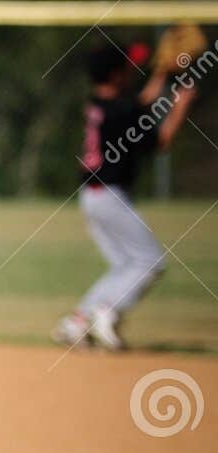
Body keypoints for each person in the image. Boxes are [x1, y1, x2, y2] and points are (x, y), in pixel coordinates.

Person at [52, 40, 196, 350]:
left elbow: (138, 105)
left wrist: (160, 74)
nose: (131, 72)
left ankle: (77, 321)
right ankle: (107, 310)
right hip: (110, 195)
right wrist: (181, 104)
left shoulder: (100, 102)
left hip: (91, 196)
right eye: (127, 68)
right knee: (150, 262)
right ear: (116, 75)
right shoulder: (123, 110)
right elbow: (160, 142)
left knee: (124, 265)